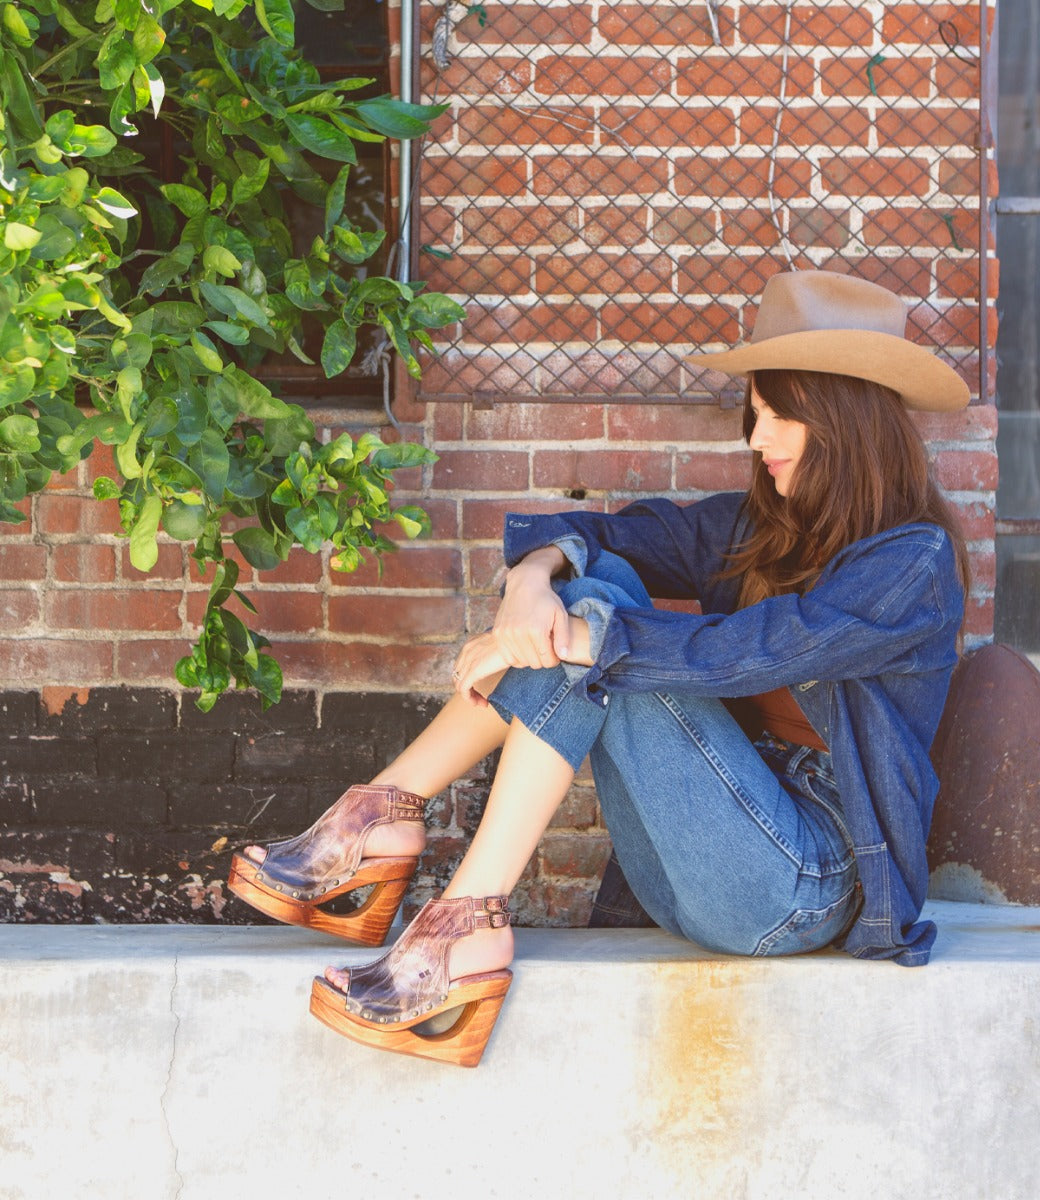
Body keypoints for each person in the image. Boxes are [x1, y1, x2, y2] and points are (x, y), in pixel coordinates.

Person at [228, 269, 972, 1068]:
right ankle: (398, 838)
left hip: (801, 885)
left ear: (845, 418)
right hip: (689, 872)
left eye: (779, 416)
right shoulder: (764, 527)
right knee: (586, 596)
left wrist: (576, 634)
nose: (757, 441)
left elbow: (754, 650)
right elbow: (612, 534)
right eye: (754, 416)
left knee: (599, 630)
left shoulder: (912, 564)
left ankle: (419, 877)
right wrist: (529, 583)